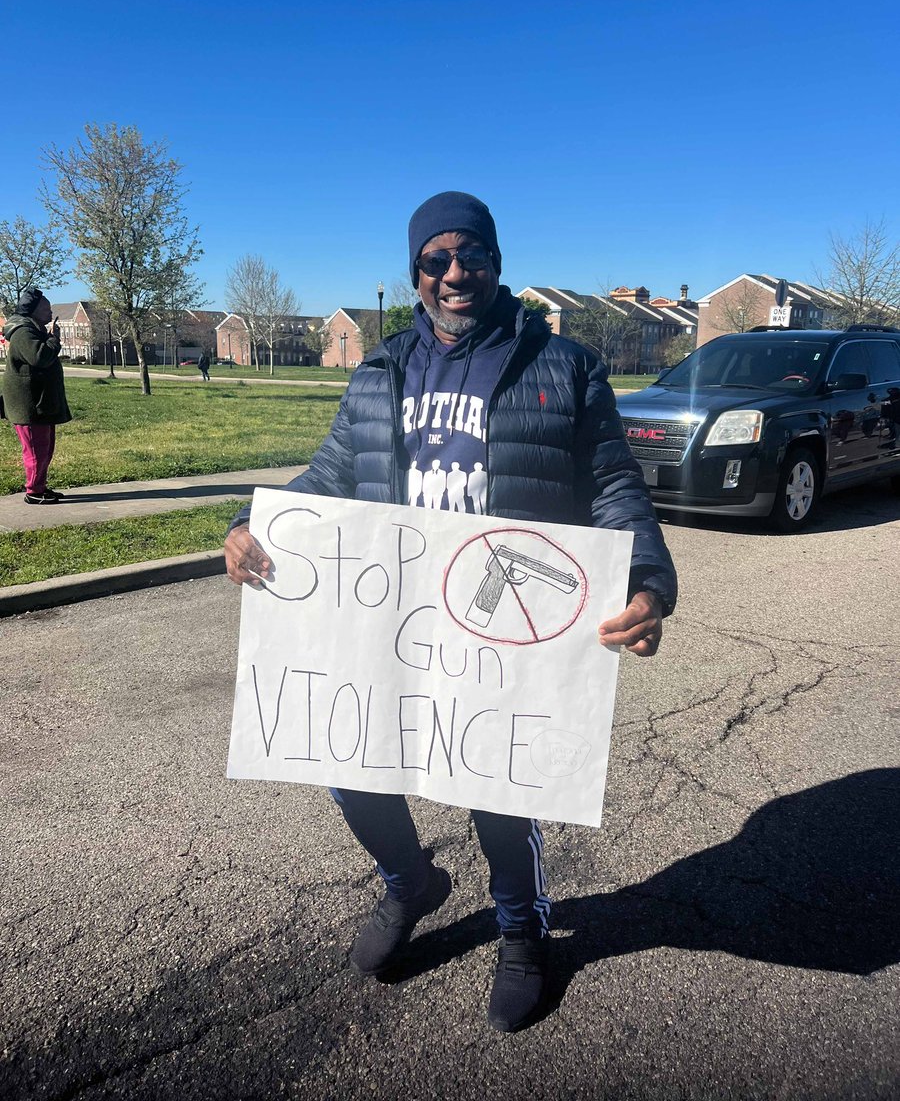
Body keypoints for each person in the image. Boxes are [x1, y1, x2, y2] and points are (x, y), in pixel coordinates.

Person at [224, 191, 677, 1033]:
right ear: (416, 273)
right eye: (436, 260)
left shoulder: (564, 366)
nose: (455, 273)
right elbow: (330, 473)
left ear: (498, 263)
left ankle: (521, 929)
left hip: (501, 619)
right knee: (352, 766)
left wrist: (646, 581)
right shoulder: (380, 368)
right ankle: (411, 882)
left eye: (471, 255)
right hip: (390, 616)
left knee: (498, 788)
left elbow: (614, 484)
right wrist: (252, 523)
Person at [1, 287, 71, 504]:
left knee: (45, 449)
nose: (50, 312)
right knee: (35, 451)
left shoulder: (34, 330)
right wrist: (54, 339)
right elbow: (39, 357)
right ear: (33, 311)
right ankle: (34, 492)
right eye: (46, 308)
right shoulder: (23, 332)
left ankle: (40, 487)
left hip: (41, 404)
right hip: (29, 405)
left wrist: (50, 338)